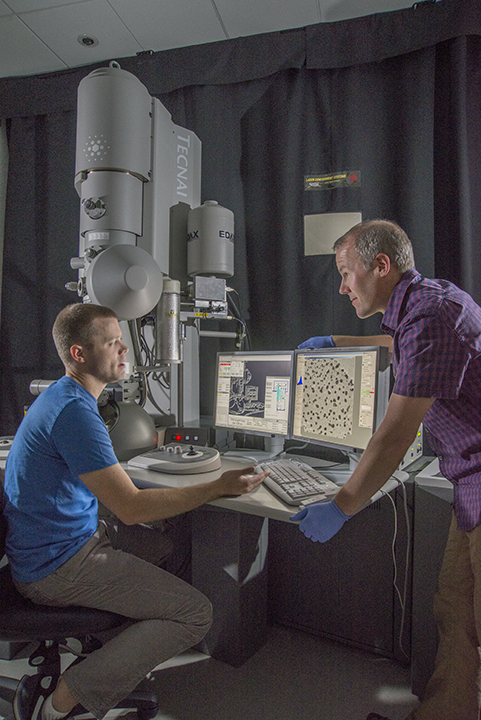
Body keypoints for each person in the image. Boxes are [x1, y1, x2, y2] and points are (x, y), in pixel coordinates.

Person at [3, 302, 269, 720]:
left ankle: (115, 652)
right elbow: (129, 508)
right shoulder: (75, 412)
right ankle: (64, 700)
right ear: (79, 354)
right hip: (56, 567)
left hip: (64, 541)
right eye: (112, 342)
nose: (124, 348)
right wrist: (216, 486)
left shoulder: (63, 396)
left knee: (170, 544)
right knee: (196, 613)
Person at [291, 219, 481, 720]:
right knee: (455, 612)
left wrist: (341, 506)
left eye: (345, 272)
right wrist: (336, 341)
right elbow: (400, 347)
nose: (341, 287)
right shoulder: (420, 309)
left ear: (380, 265)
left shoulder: (431, 313)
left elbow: (395, 435)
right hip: (469, 482)